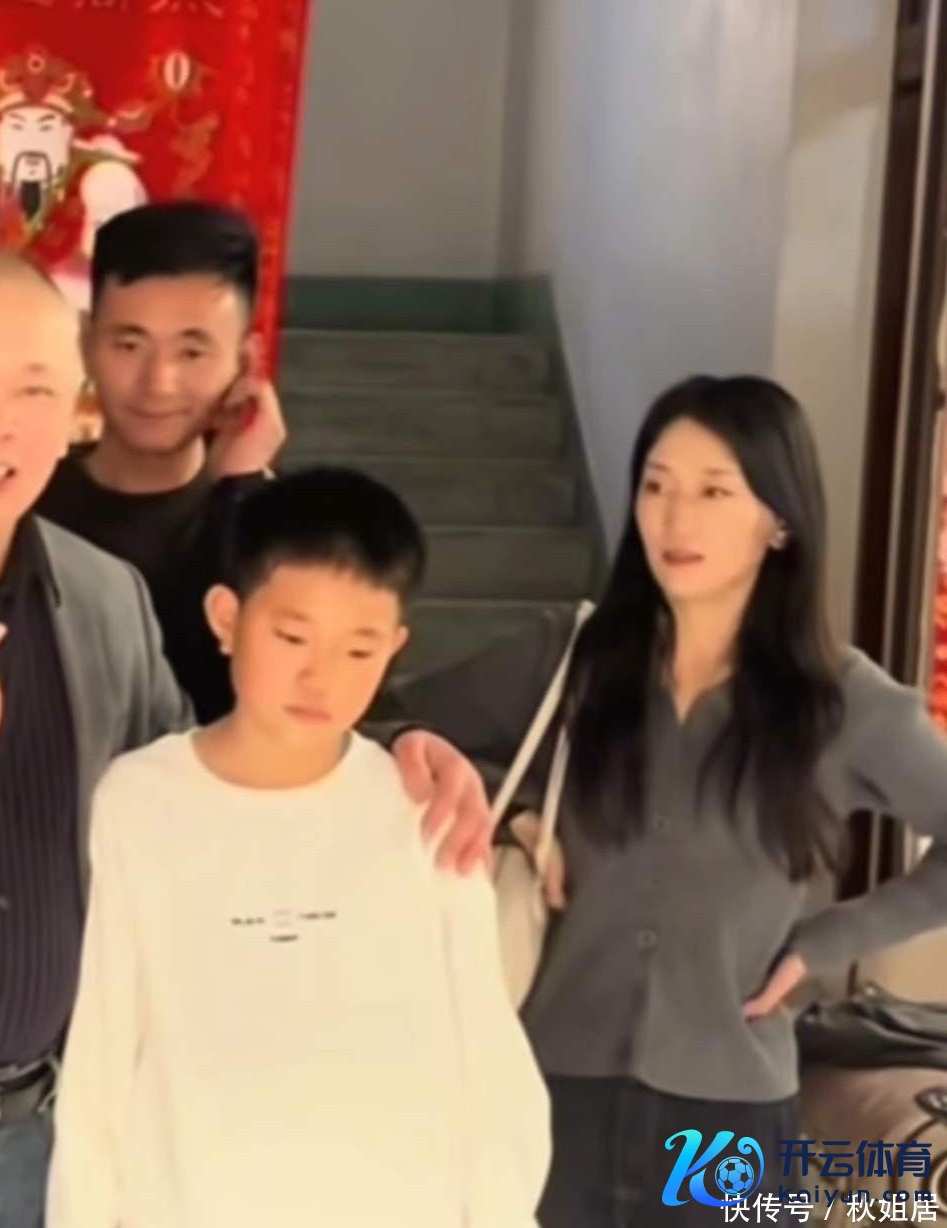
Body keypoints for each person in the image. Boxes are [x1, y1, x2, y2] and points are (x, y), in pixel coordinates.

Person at [0, 254, 491, 1228]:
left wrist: (394, 747)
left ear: (71, 411)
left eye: (33, 390)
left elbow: (207, 775)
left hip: (48, 1147)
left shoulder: (104, 597)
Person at [386, 375, 947, 1227]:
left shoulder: (840, 701)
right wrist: (516, 805)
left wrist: (830, 940)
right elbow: (382, 726)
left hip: (730, 1125)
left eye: (714, 492)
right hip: (549, 1099)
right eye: (656, 485)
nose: (675, 519)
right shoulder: (568, 658)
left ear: (781, 521)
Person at [47, 467, 551, 1228]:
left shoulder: (424, 808)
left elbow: (487, 1060)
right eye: (291, 637)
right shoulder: (139, 804)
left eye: (359, 651)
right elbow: (101, 1061)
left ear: (396, 647)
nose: (320, 678)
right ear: (226, 618)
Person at [36, 200, 286, 722]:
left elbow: (293, 703)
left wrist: (240, 492)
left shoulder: (280, 524)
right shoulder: (23, 506)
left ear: (245, 361)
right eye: (129, 345)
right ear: (86, 343)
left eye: (191, 352)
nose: (159, 383)